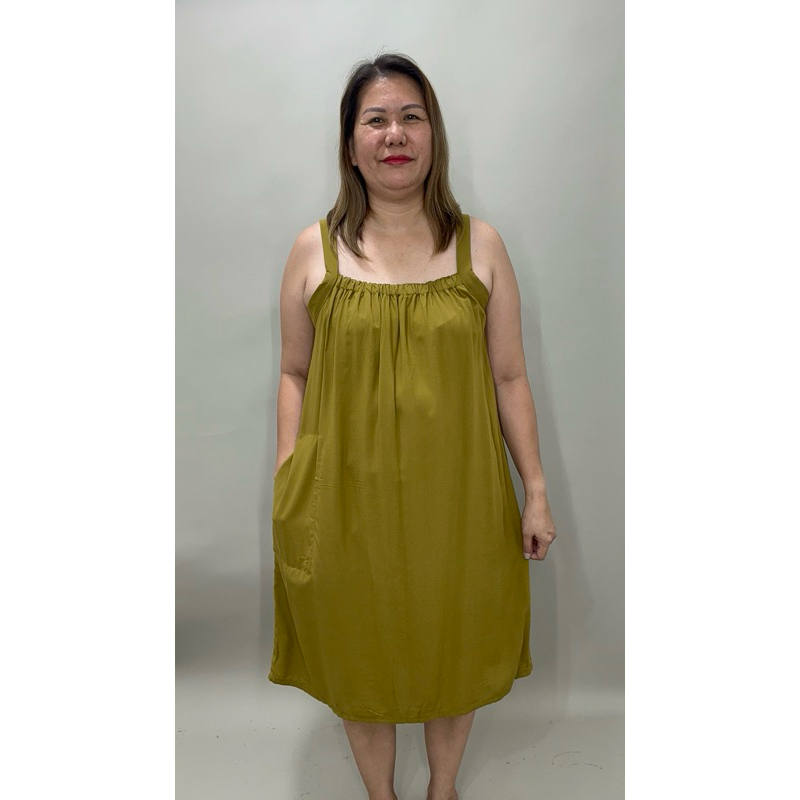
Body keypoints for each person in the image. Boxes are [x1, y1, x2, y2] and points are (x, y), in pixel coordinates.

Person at [269, 52, 556, 800]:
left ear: (433, 134)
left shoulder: (480, 246)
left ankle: (443, 790)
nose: (394, 135)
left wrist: (534, 489)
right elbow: (294, 372)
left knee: (453, 641)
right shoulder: (313, 250)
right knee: (358, 650)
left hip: (459, 498)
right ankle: (382, 796)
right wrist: (289, 474)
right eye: (375, 120)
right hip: (343, 501)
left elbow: (510, 376)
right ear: (350, 142)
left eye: (410, 117)